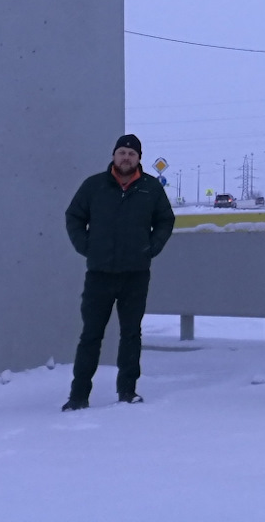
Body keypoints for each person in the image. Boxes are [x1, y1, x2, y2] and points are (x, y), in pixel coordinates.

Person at [62, 132, 174, 409]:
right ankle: (78, 397)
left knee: (131, 334)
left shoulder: (151, 188)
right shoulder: (94, 186)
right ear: (114, 155)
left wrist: (152, 247)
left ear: (139, 158)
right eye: (122, 152)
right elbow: (74, 217)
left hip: (136, 274)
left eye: (132, 154)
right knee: (91, 335)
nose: (126, 157)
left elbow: (165, 220)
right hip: (99, 273)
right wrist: (86, 246)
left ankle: (127, 391)